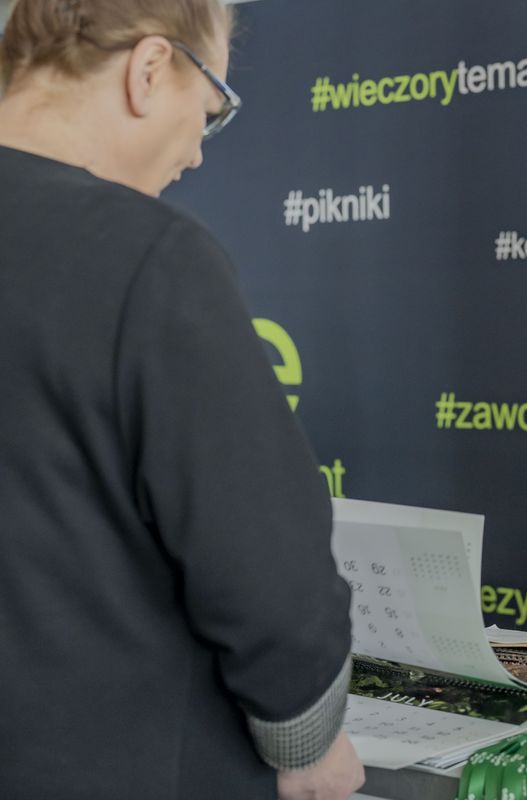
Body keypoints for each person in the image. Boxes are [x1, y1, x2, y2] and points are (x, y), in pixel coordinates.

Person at [0, 1, 364, 798]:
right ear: (150, 69)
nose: (197, 152)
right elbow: (269, 577)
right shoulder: (147, 258)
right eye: (210, 109)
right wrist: (309, 740)